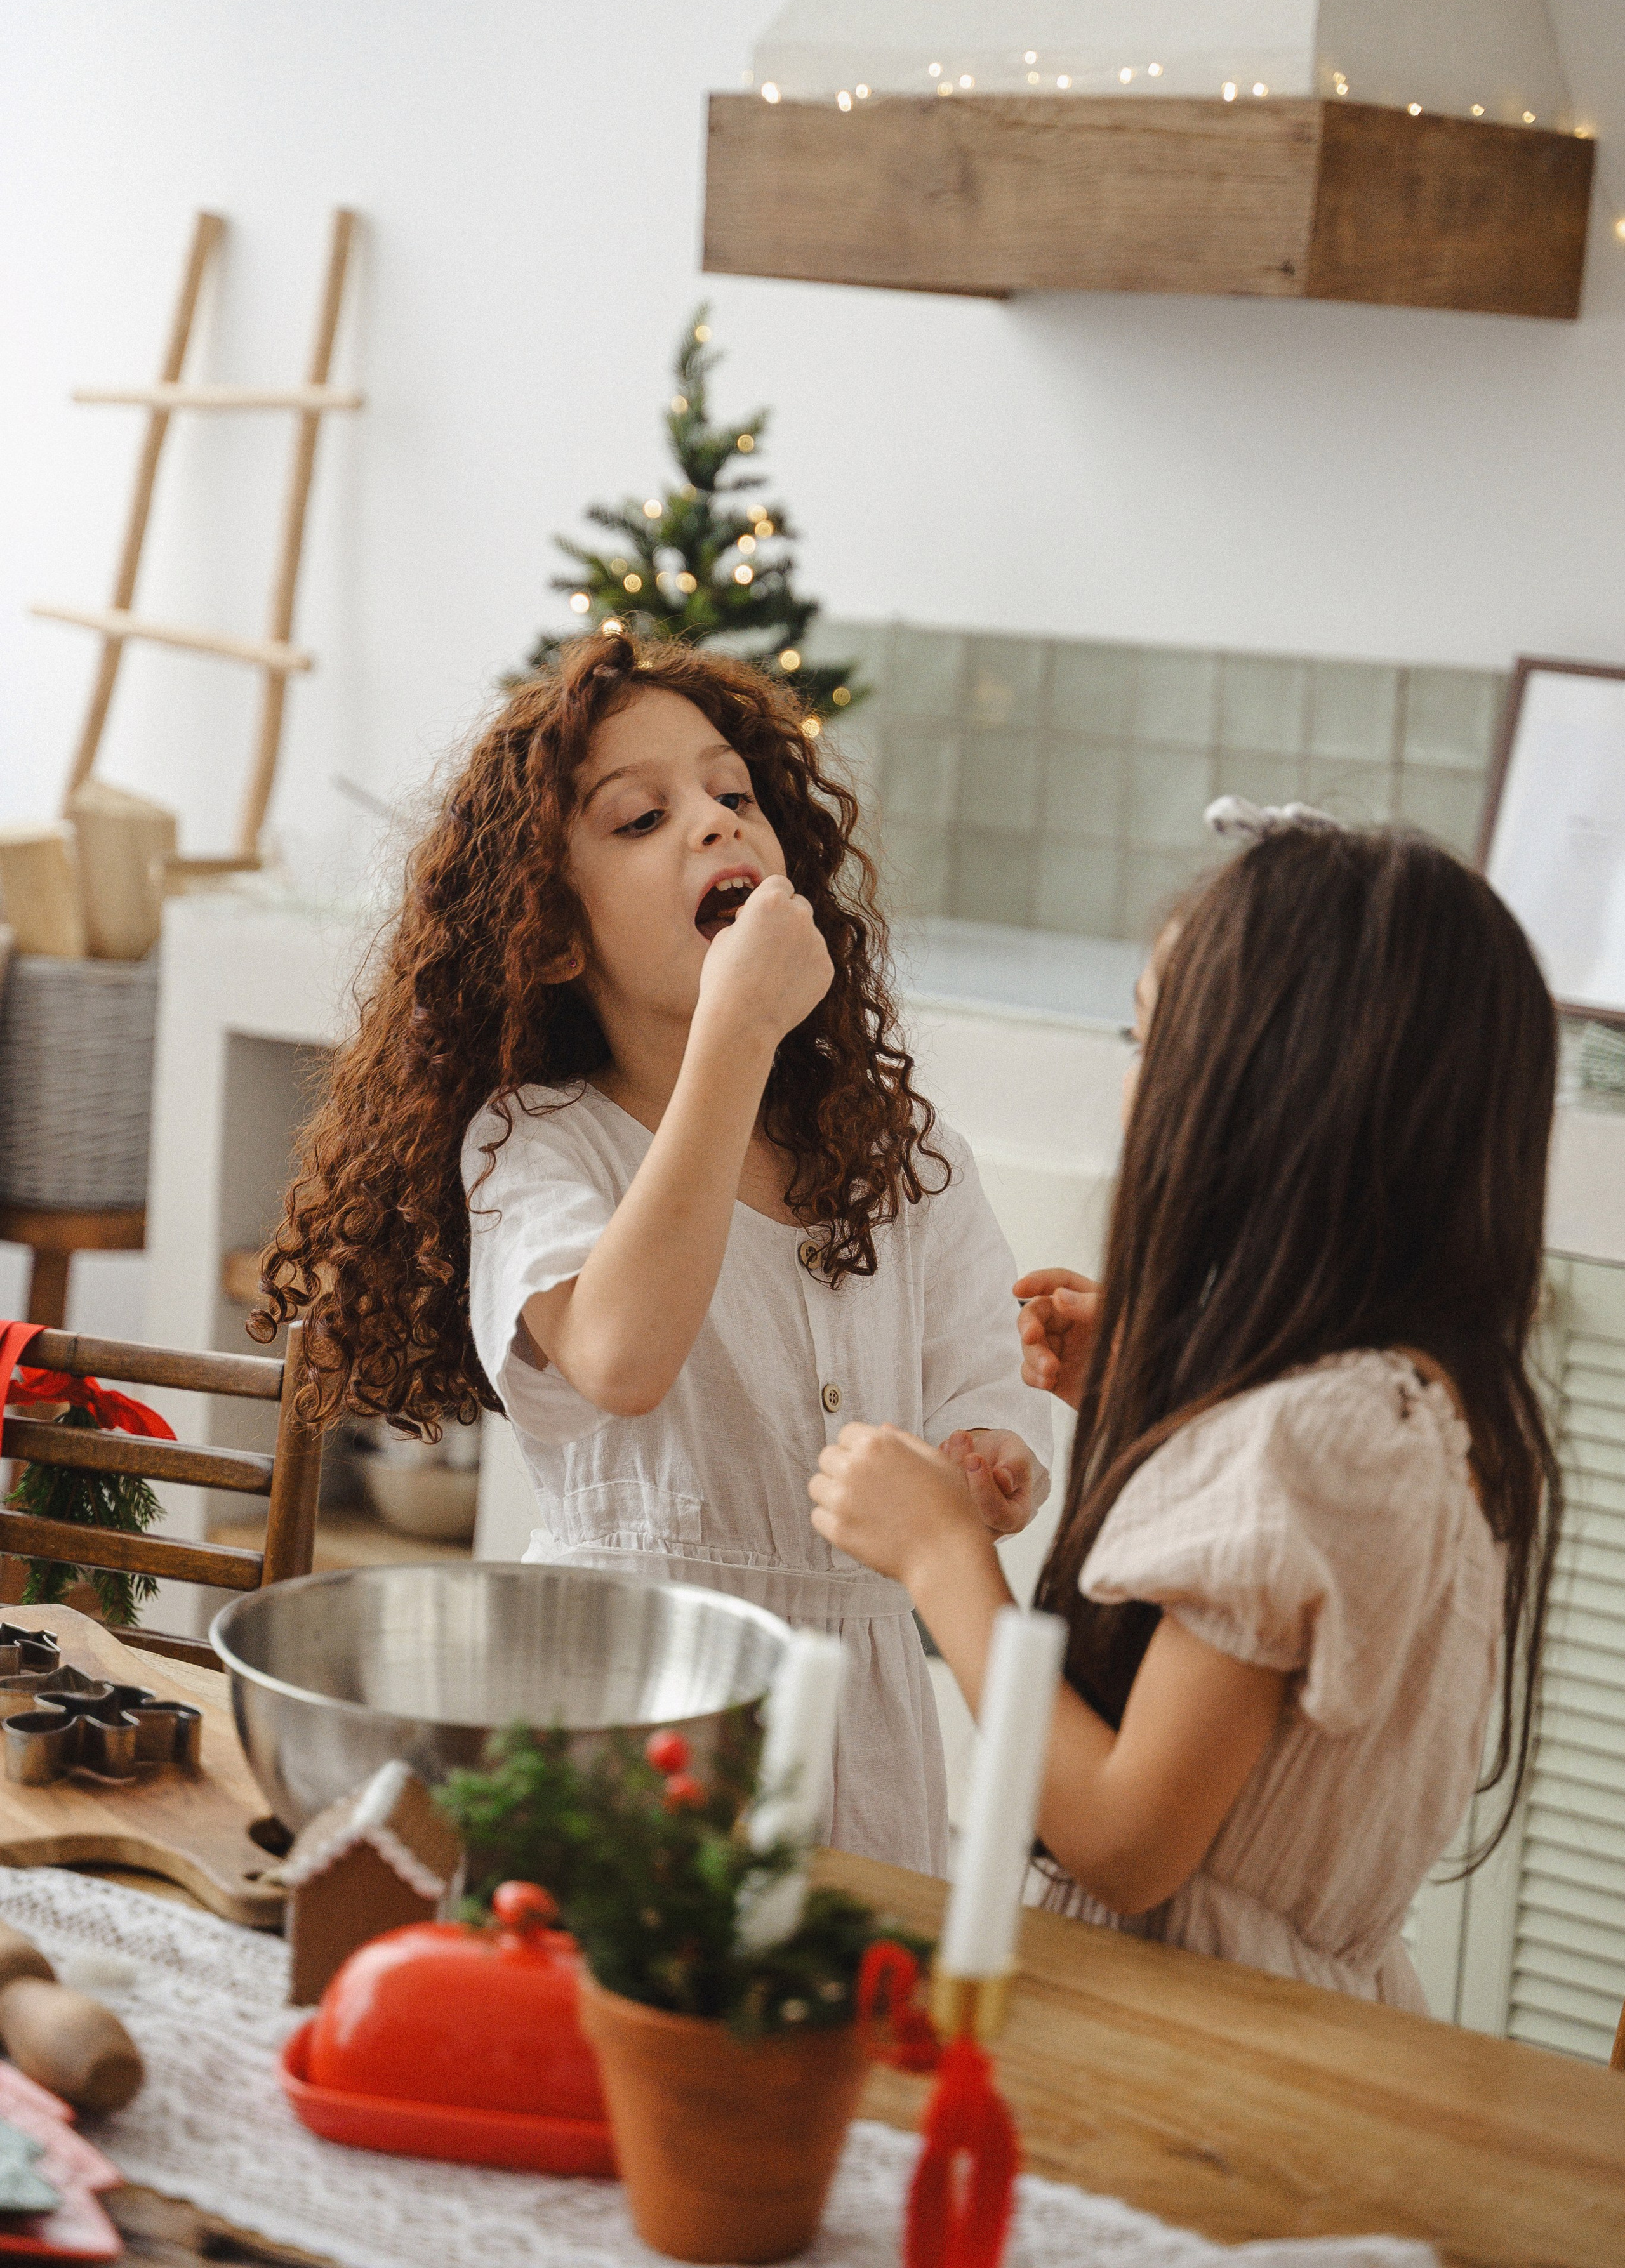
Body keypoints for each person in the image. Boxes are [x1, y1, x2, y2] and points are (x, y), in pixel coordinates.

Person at [251, 628, 1050, 1876]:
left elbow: (978, 1372)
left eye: (733, 794)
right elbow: (618, 1355)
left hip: (864, 1733)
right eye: (640, 817)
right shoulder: (536, 1143)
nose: (712, 823)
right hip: (626, 1715)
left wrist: (990, 1455)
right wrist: (732, 1037)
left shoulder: (904, 1152)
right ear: (554, 935)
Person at [808, 811, 1560, 2006]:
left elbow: (1124, 1837)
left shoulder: (1314, 1442)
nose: (1132, 1086)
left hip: (1194, 2026)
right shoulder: (1415, 1400)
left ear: (1279, 1106)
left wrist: (940, 1556)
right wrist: (1163, 1404)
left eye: (1152, 1041)